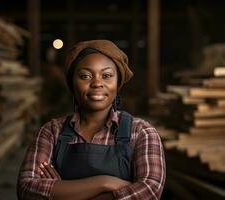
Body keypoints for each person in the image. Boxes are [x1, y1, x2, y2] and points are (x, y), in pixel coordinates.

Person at [17, 39, 166, 200]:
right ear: (72, 83)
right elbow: (27, 188)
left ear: (118, 83)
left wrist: (65, 193)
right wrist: (105, 182)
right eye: (85, 76)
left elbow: (150, 191)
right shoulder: (52, 131)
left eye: (107, 75)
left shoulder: (141, 132)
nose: (97, 83)